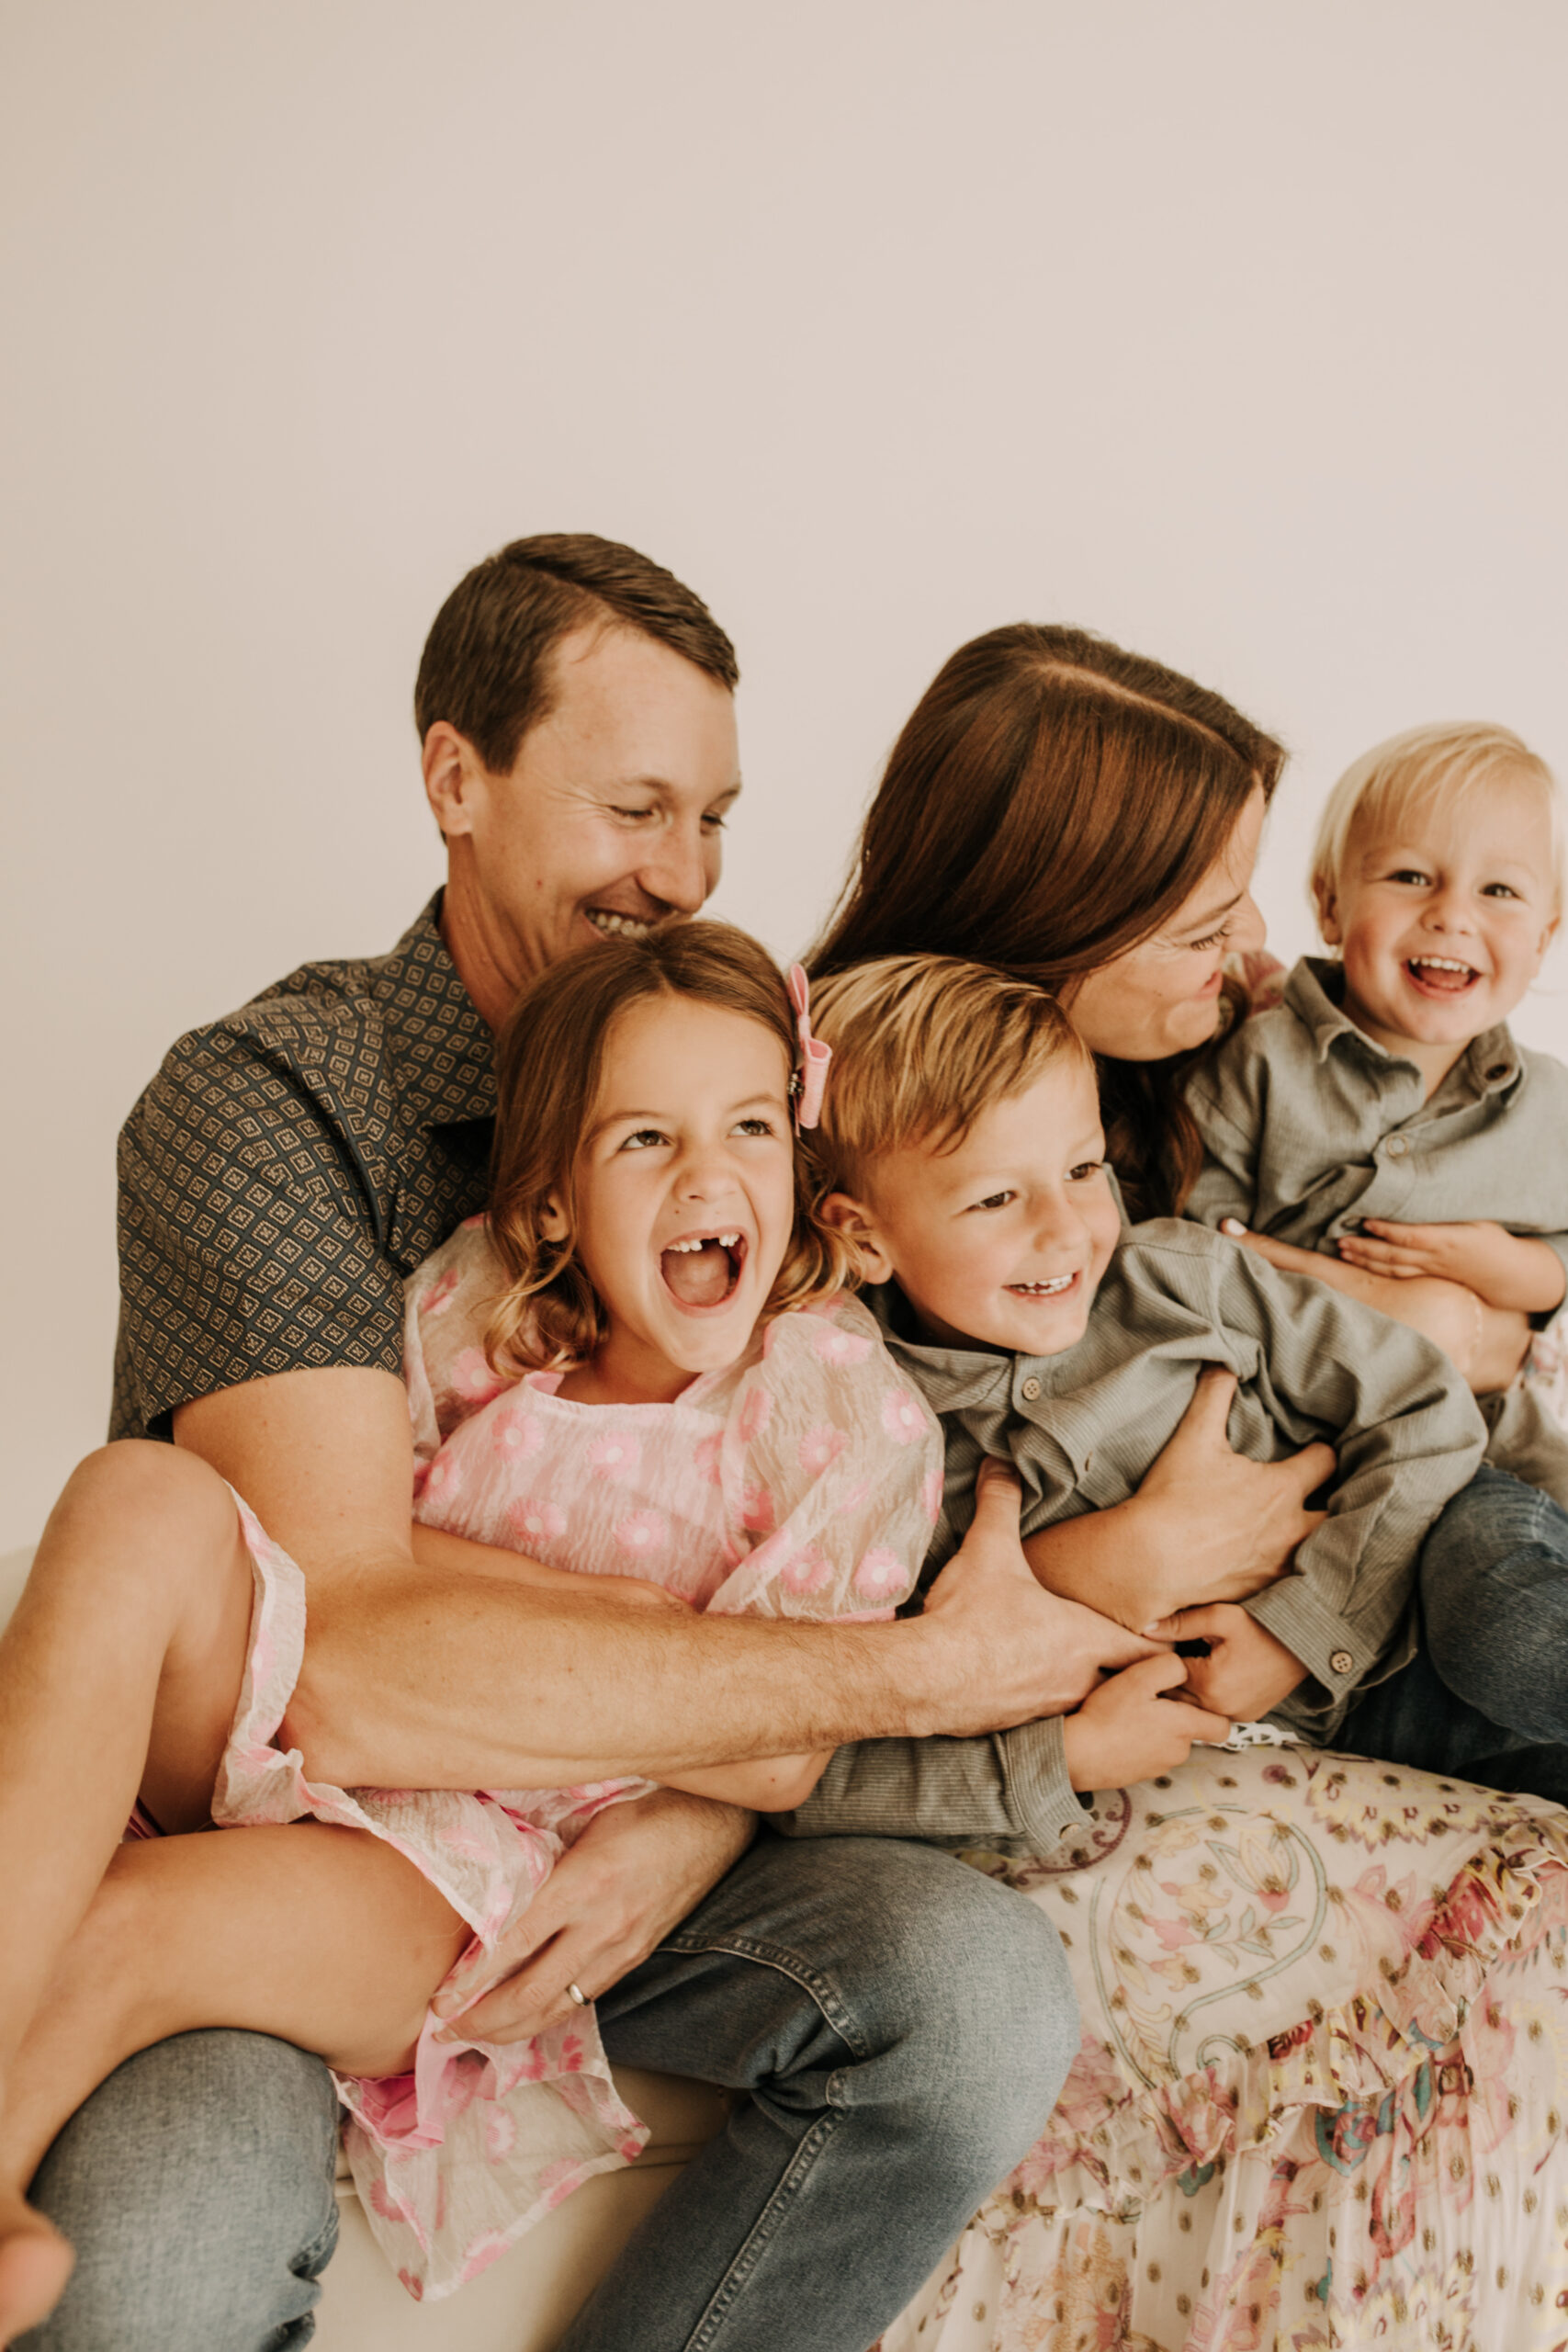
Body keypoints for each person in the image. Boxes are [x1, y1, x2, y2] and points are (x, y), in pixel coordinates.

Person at [18, 547, 1320, 2352]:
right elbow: (348, 1649)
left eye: (712, 815)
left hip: (639, 1810)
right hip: (310, 1810)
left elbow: (834, 1529)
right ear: (455, 779)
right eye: (632, 805)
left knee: (966, 1984)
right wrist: (897, 1678)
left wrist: (700, 1805)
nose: (685, 870)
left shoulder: (763, 1089)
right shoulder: (283, 1103)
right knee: (151, 2263)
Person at [1, 923, 987, 2329]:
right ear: (549, 1204)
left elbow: (773, 1741)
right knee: (135, 1492)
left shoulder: (831, 1408)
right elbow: (319, 1557)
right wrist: (633, 1616)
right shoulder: (481, 1317)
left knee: (115, 1933)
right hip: (304, 1712)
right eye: (646, 1139)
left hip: (466, 1860)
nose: (711, 1175)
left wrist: (472, 1616)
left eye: (753, 1127)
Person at [779, 623, 1549, 1849]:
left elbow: (1448, 1322)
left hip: (1400, 1548)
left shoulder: (1229, 1065)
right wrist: (1104, 1561)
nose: (1250, 951)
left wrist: (1499, 1323)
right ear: (1046, 941)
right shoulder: (829, 1221)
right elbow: (787, 1673)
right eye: (1199, 929)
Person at [798, 948, 1568, 1819]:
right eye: (994, 1200)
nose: (1068, 1229)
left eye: (1082, 1170)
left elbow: (1423, 1405)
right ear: (862, 1238)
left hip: (1431, 1574)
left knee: (1510, 1643)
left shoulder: (1179, 1277)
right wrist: (1061, 1754)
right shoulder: (876, 1441)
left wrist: (1301, 1629)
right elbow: (864, 1727)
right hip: (1355, 1728)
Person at [1185, 720, 1568, 1510]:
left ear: (1546, 936)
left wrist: (1524, 1269)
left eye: (1498, 890)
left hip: (1490, 1450)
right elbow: (1194, 1254)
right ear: (1328, 905)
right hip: (1283, 1430)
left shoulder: (1552, 1106)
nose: (1452, 915)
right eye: (1409, 876)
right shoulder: (1259, 1061)